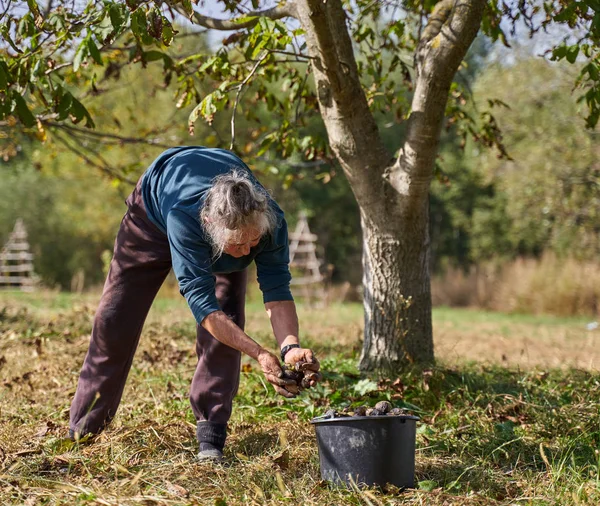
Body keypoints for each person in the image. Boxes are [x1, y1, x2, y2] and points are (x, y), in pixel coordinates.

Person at [69, 146, 320, 461]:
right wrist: (258, 353)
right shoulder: (185, 218)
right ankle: (81, 431)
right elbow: (204, 309)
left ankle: (211, 437)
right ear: (211, 229)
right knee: (114, 319)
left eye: (253, 242)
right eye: (237, 244)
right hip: (152, 213)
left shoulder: (270, 222)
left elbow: (277, 289)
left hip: (222, 219)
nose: (246, 253)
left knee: (229, 317)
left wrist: (290, 347)